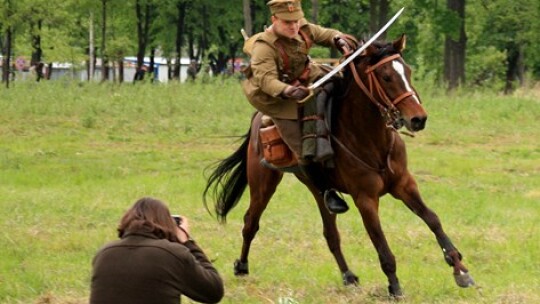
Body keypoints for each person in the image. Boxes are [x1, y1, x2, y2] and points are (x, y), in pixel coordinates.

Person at [242, 0, 358, 214]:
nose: (293, 26)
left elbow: (325, 33)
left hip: (305, 79)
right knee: (303, 149)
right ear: (274, 20)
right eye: (287, 23)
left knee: (340, 84)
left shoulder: (302, 27)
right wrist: (288, 91)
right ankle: (326, 191)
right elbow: (267, 80)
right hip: (276, 99)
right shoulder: (264, 47)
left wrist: (339, 39)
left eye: (296, 21)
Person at [90, 197, 224, 304]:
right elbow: (214, 291)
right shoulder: (172, 254)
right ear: (167, 223)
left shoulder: (103, 253)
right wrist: (186, 242)